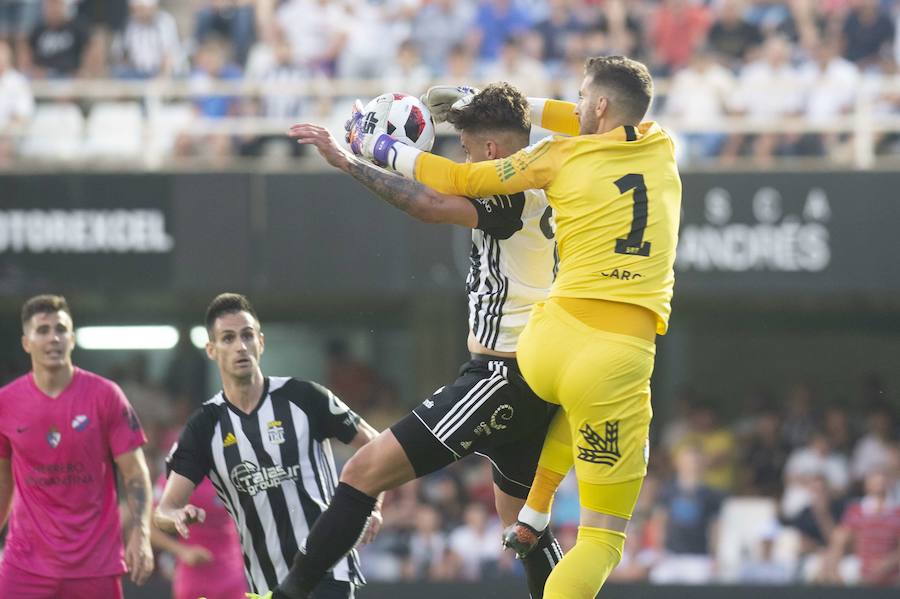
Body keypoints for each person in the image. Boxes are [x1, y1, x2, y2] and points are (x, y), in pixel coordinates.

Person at [346, 54, 682, 599]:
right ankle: (537, 512)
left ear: (596, 103)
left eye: (580, 96)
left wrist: (381, 147)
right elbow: (603, 118)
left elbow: (459, 177)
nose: (571, 107)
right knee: (600, 541)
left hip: (546, 340)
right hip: (617, 352)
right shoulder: (663, 144)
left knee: (564, 410)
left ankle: (533, 510)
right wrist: (504, 103)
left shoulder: (557, 156)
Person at [276, 83, 562, 599]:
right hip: (531, 374)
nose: (463, 162)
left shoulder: (511, 187)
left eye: (469, 150)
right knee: (522, 523)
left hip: (503, 376)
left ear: (493, 152)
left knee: (364, 470)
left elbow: (429, 204)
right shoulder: (543, 178)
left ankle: (287, 594)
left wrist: (348, 161)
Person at [154, 293, 381, 598]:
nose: (240, 346)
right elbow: (164, 509)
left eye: (247, 335)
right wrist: (176, 516)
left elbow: (378, 448)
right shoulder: (204, 426)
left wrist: (374, 507)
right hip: (267, 585)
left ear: (260, 342)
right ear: (211, 349)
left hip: (329, 571)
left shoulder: (305, 397)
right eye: (228, 338)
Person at [0, 294, 154, 598]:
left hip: (95, 566)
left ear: (72, 338)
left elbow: (135, 474)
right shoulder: (5, 402)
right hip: (25, 565)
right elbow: (3, 481)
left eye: (61, 329)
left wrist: (142, 532)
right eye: (42, 331)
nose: (53, 338)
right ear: (26, 342)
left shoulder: (106, 395)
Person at [150, 476, 248, 599]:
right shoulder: (177, 475)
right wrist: (183, 551)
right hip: (194, 578)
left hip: (232, 576)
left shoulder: (229, 470)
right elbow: (149, 528)